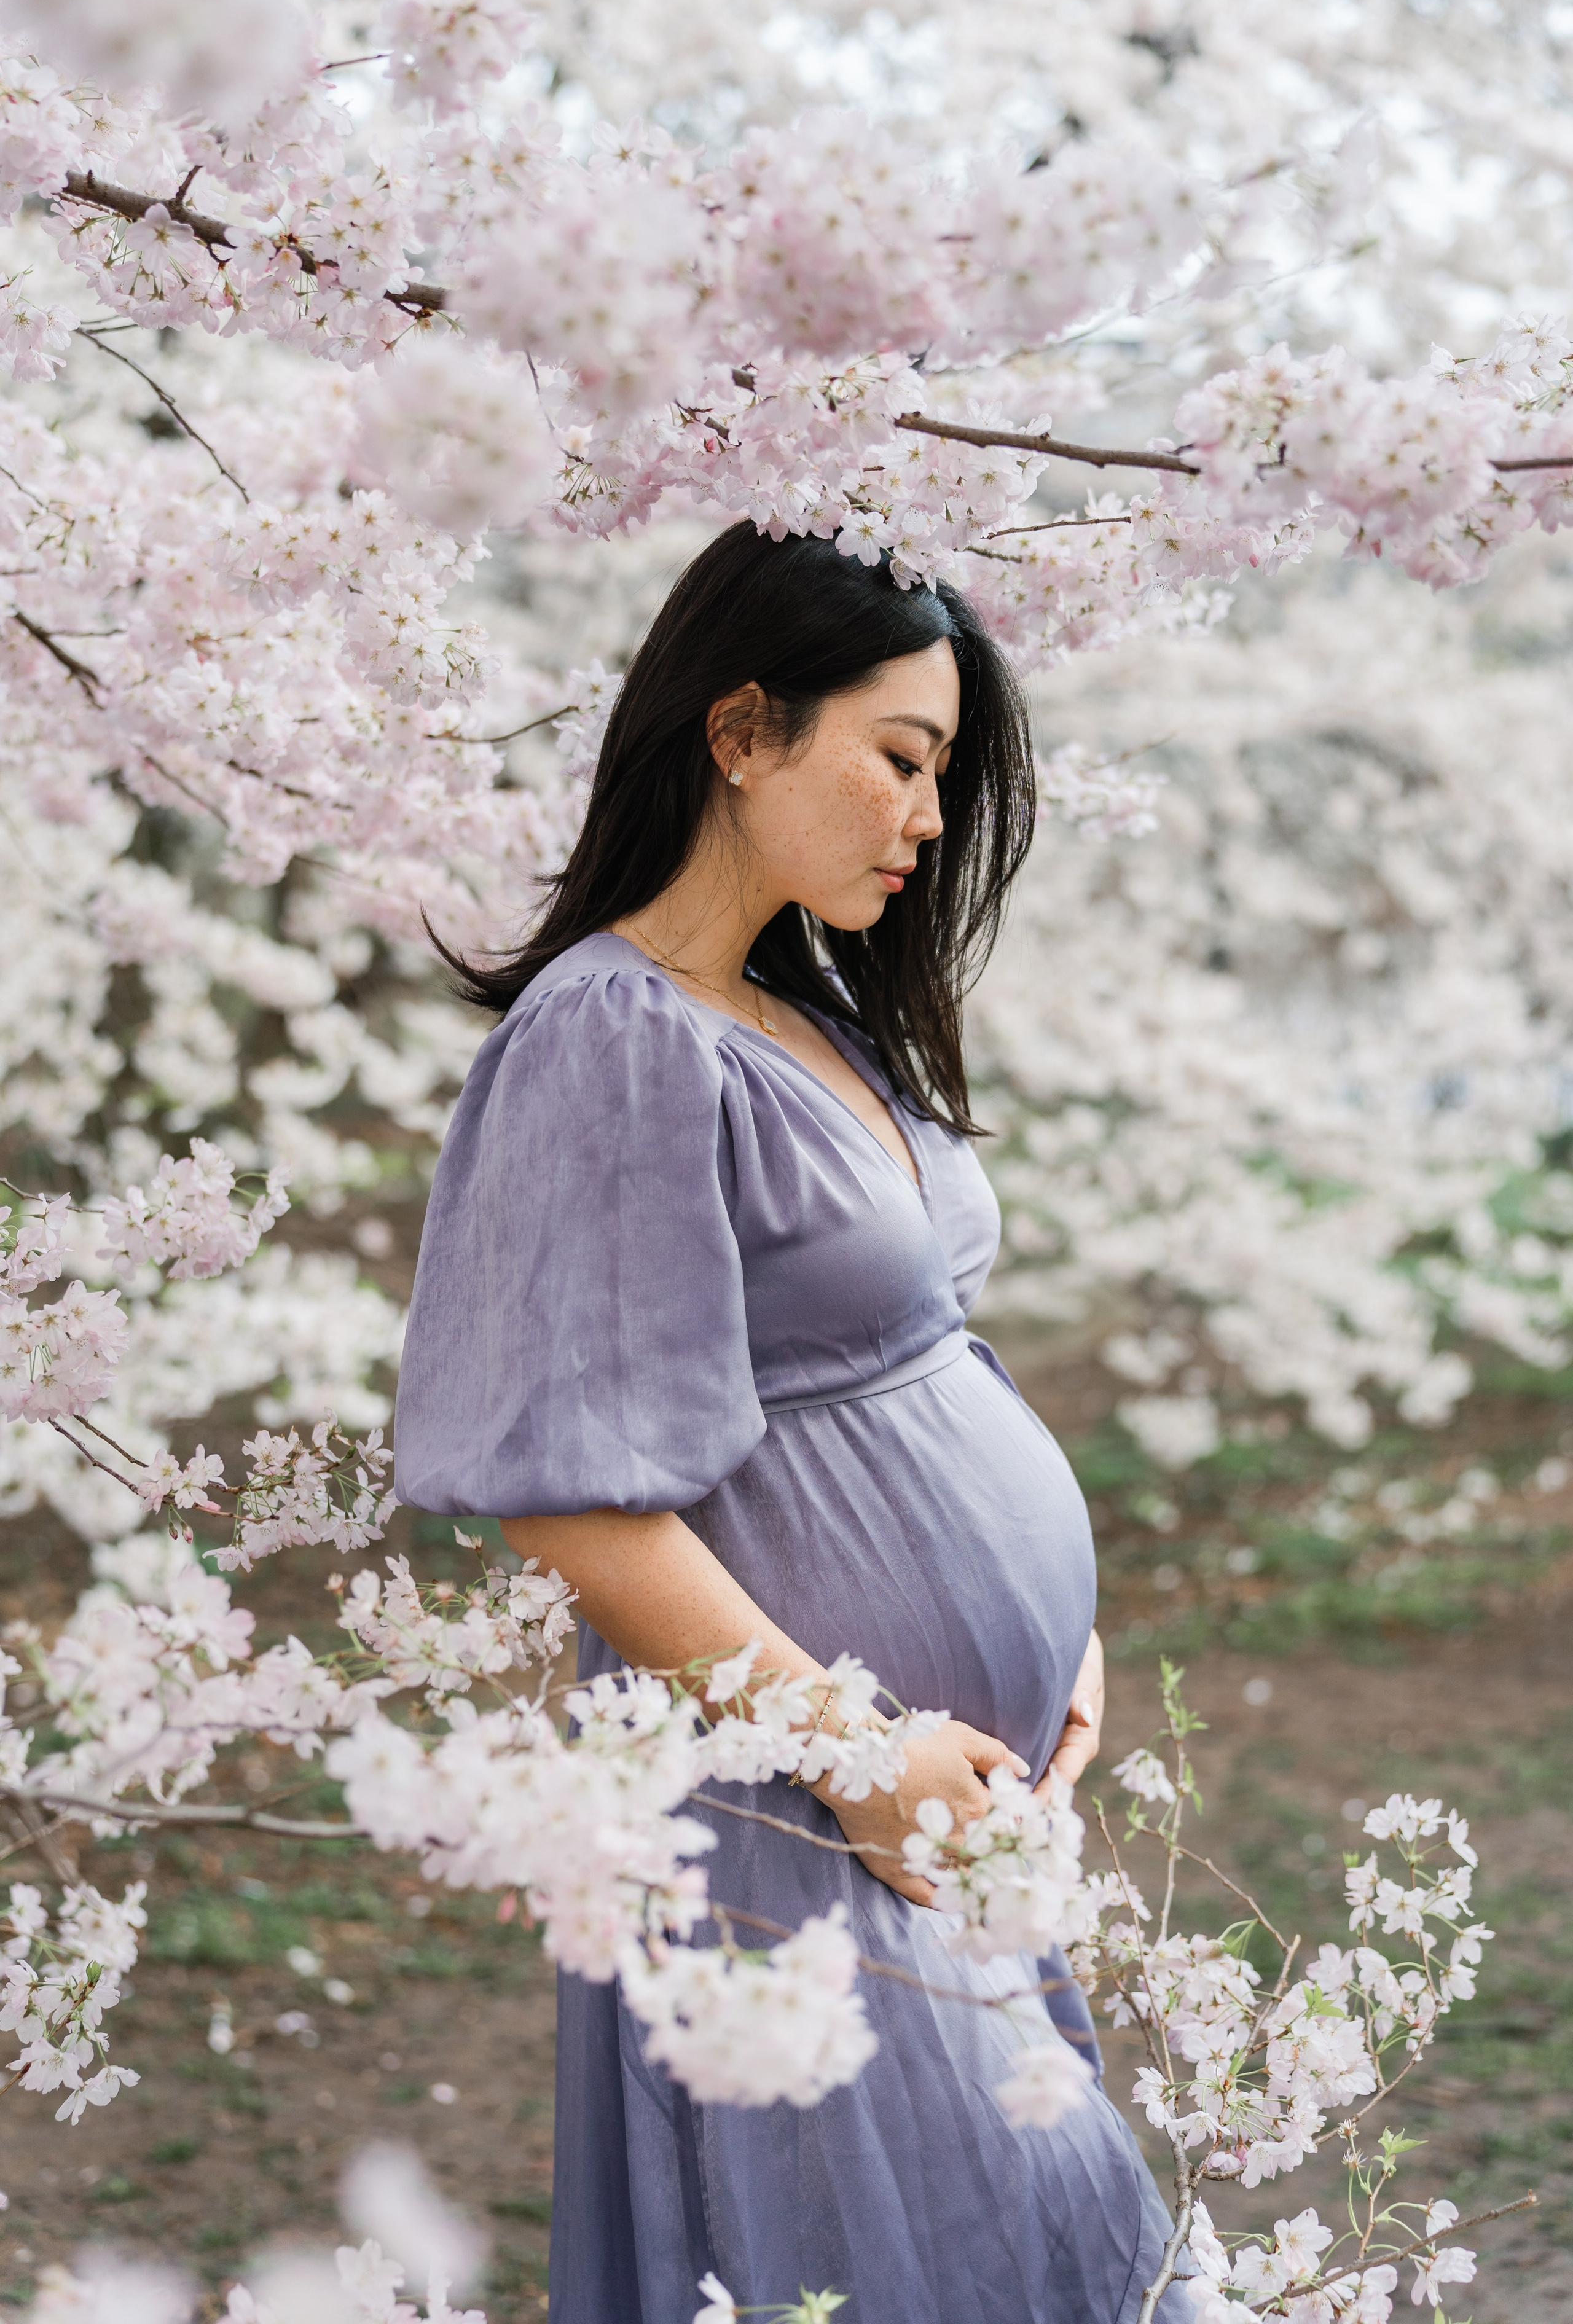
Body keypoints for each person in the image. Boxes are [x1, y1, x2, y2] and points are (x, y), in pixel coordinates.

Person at [394, 524, 1190, 2324]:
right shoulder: (613, 1037)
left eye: (943, 778)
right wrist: (857, 1753)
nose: (926, 821)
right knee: (916, 2262)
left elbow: (921, 1358)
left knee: (1037, 2250)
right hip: (791, 1811)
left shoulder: (797, 1006)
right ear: (741, 729)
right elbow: (573, 1502)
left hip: (939, 1798)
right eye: (901, 763)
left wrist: (1061, 1636)